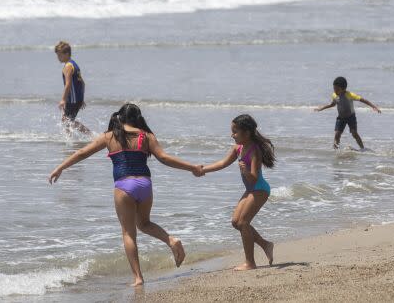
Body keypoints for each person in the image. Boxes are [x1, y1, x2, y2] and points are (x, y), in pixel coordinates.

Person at [48, 103, 201, 287]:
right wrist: (192, 167)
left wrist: (60, 167)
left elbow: (82, 153)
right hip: (145, 184)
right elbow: (165, 158)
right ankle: (171, 240)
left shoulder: (110, 136)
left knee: (129, 233)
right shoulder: (146, 136)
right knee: (144, 223)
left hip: (124, 186)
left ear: (120, 117)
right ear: (137, 118)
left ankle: (138, 277)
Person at [199, 114, 275, 271]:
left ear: (246, 133)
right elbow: (222, 163)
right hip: (251, 190)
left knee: (243, 222)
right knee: (236, 222)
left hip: (260, 189)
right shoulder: (238, 148)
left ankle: (250, 263)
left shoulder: (254, 151)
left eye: (235, 132)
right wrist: (203, 169)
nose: (232, 135)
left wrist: (246, 170)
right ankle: (265, 244)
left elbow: (253, 178)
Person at [313, 76, 381, 149]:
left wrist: (374, 107)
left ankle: (362, 148)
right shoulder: (334, 95)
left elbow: (363, 100)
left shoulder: (350, 95)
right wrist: (321, 108)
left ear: (344, 89)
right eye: (334, 88)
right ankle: (335, 149)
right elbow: (332, 104)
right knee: (337, 134)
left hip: (350, 117)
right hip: (340, 118)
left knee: (354, 133)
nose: (335, 91)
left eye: (337, 89)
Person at [54, 41, 90, 134]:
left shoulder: (68, 66)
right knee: (66, 120)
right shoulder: (74, 64)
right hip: (76, 99)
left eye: (59, 55)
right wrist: (81, 99)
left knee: (67, 121)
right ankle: (69, 139)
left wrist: (63, 100)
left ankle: (89, 134)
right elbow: (83, 83)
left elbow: (68, 84)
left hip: (72, 100)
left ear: (66, 54)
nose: (58, 58)